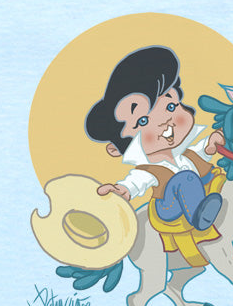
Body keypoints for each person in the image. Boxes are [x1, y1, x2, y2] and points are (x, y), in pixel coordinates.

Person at [86, 46, 225, 230]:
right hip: (169, 207)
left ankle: (213, 202)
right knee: (187, 179)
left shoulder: (185, 155)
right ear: (116, 148)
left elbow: (201, 151)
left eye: (171, 107)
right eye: (143, 121)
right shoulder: (149, 170)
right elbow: (136, 182)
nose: (165, 120)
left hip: (202, 187)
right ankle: (200, 216)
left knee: (202, 171)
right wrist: (123, 190)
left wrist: (211, 143)